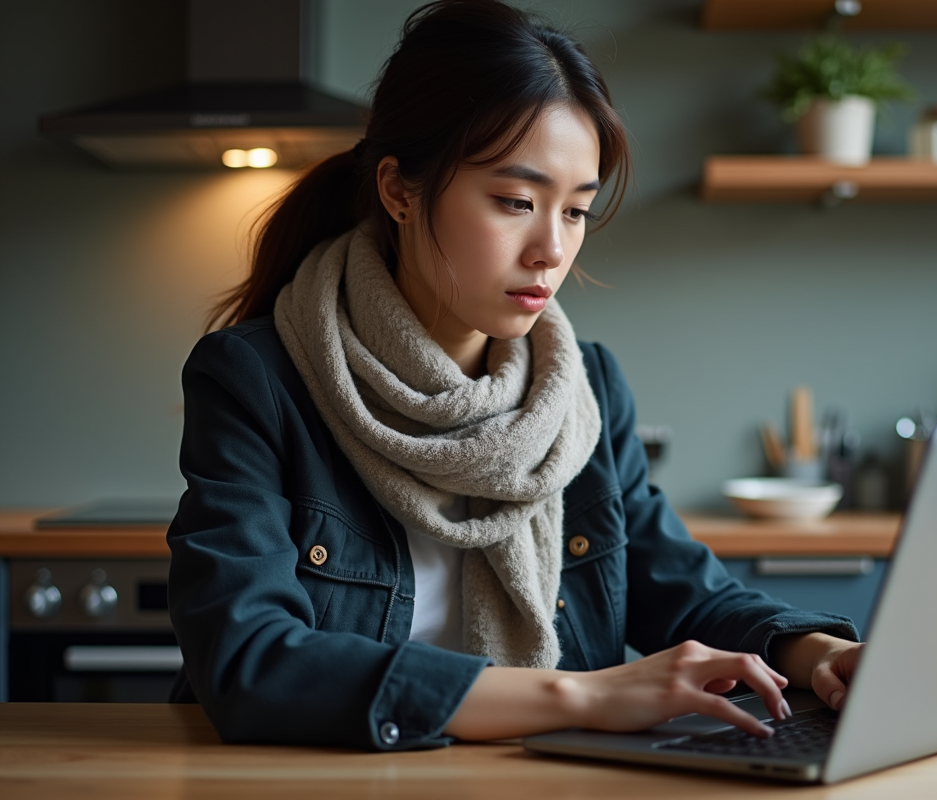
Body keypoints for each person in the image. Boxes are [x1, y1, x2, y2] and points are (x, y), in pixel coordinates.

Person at [167, 0, 862, 750]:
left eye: (576, 213)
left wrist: (816, 653)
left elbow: (677, 585)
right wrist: (583, 696)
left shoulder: (583, 388)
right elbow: (251, 661)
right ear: (400, 190)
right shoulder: (257, 379)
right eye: (516, 201)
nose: (550, 251)